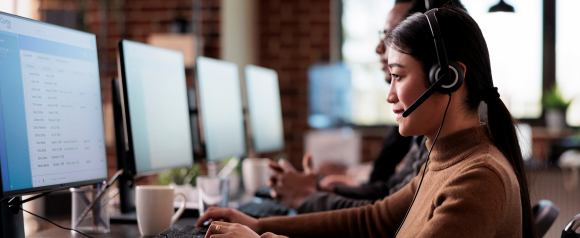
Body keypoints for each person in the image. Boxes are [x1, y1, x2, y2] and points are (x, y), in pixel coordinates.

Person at [196, 6, 536, 238]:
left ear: (447, 78)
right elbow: (372, 221)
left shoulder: (478, 179)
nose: (389, 96)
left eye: (398, 76)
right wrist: (257, 223)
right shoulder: (444, 160)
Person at [267, 0, 464, 214]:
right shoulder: (430, 135)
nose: (380, 47)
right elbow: (389, 196)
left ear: (443, 74)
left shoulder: (465, 162)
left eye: (391, 35)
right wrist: (319, 190)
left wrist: (307, 197)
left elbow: (385, 218)